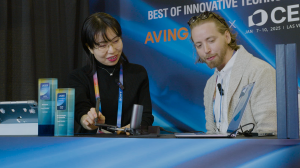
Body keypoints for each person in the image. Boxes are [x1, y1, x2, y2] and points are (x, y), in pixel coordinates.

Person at [188, 11, 277, 133]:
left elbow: (271, 133)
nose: (206, 50)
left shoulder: (260, 72)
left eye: (211, 40)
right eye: (199, 45)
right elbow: (211, 133)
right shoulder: (210, 85)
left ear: (227, 37)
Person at [69, 12, 154, 134]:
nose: (112, 50)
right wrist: (88, 121)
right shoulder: (78, 77)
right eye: (103, 45)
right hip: (90, 145)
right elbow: (80, 111)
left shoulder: (138, 73)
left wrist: (130, 129)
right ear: (90, 48)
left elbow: (146, 116)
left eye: (116, 41)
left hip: (130, 144)